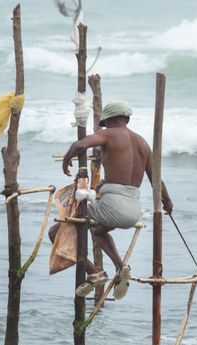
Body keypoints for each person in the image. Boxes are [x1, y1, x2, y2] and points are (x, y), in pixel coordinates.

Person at [59, 100, 173, 299]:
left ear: (109, 121)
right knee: (98, 233)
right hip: (133, 211)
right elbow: (156, 181)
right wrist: (168, 202)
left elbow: (80, 144)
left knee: (57, 228)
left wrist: (68, 157)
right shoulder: (143, 143)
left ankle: (93, 271)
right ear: (126, 119)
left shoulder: (109, 134)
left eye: (105, 124)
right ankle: (121, 268)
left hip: (113, 207)